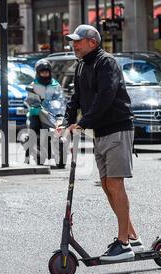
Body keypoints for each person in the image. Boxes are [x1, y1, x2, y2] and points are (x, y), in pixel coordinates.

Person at [62, 24, 145, 261]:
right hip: (100, 131)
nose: (74, 45)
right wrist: (66, 122)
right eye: (73, 41)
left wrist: (84, 122)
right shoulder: (81, 66)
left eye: (78, 41)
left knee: (115, 184)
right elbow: (75, 98)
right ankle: (133, 237)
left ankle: (124, 244)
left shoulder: (105, 63)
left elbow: (105, 96)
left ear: (93, 42)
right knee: (108, 185)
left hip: (118, 128)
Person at [25, 59, 62, 164]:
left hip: (52, 113)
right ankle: (30, 149)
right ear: (38, 73)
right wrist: (33, 102)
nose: (45, 74)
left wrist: (62, 103)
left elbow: (60, 97)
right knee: (34, 128)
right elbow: (30, 98)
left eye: (47, 72)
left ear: (50, 72)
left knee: (60, 127)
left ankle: (59, 148)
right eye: (42, 72)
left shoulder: (55, 85)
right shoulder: (33, 85)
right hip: (37, 112)